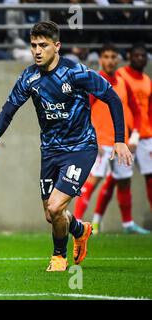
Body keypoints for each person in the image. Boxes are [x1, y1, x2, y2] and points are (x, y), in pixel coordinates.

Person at [0, 21, 133, 272]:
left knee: (56, 205)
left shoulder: (76, 72)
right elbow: (8, 111)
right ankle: (81, 230)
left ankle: (59, 257)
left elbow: (111, 97)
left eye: (43, 45)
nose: (37, 51)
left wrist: (119, 139)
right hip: (50, 151)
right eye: (34, 45)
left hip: (81, 148)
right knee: (52, 215)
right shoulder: (29, 77)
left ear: (57, 46)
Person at [73, 44, 149, 235]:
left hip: (120, 144)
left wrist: (134, 137)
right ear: (100, 59)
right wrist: (91, 139)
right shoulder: (93, 82)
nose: (110, 60)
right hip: (99, 145)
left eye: (113, 56)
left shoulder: (123, 83)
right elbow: (83, 112)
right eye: (106, 56)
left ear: (118, 59)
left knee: (123, 183)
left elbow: (138, 112)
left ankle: (128, 225)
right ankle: (75, 224)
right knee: (90, 183)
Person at [93, 43, 152, 231]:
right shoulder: (120, 76)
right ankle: (95, 220)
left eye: (143, 56)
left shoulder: (147, 80)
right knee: (110, 181)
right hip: (120, 138)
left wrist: (136, 134)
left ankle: (126, 224)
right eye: (137, 55)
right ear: (128, 56)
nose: (140, 59)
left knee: (147, 179)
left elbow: (144, 110)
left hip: (142, 136)